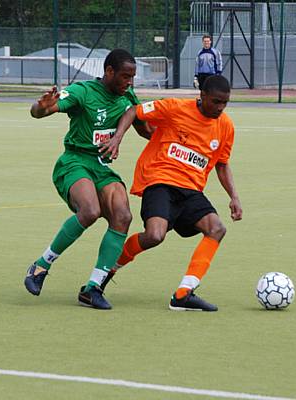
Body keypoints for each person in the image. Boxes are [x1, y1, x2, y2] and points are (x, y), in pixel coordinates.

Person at [98, 75, 242, 312]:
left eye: (225, 103)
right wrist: (117, 138)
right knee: (155, 235)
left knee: (216, 229)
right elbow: (134, 111)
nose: (220, 108)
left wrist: (234, 197)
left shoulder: (226, 126)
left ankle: (184, 294)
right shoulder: (175, 107)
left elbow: (222, 164)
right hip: (161, 181)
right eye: (216, 102)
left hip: (191, 190)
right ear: (202, 96)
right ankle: (109, 267)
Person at [24, 49, 152, 310]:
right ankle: (41, 265)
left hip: (102, 167)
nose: (130, 82)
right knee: (90, 210)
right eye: (126, 76)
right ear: (109, 72)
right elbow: (42, 110)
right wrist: (40, 107)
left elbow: (145, 129)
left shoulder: (127, 95)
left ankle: (92, 288)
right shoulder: (83, 91)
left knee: (123, 216)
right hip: (75, 162)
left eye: (133, 77)